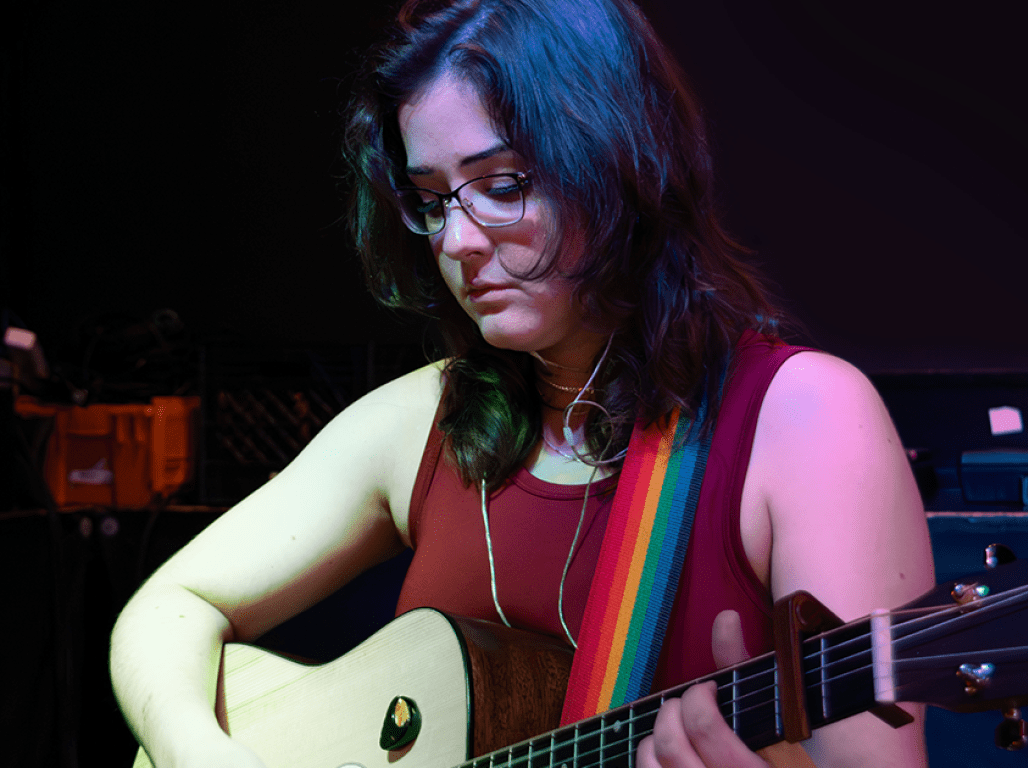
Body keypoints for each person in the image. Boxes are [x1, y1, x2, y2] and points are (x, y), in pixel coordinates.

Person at [109, 0, 935, 766]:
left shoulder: (806, 420)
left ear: (618, 161)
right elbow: (167, 607)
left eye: (502, 186)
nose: (458, 240)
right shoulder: (429, 416)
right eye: (431, 198)